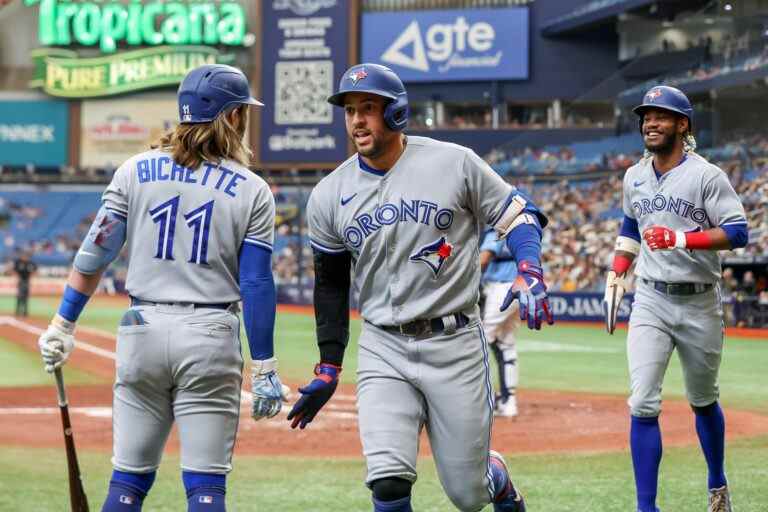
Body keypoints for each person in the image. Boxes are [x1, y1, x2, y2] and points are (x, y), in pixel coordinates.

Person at [286, 63, 554, 512]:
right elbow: (331, 285)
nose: (356, 120)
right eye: (350, 110)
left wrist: (530, 268)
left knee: (468, 495)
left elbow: (518, 215)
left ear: (396, 113)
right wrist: (329, 365)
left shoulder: (453, 162)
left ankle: (498, 479)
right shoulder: (330, 194)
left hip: (455, 344)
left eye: (368, 108)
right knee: (387, 482)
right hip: (383, 346)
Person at [36, 64, 285, 512]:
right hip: (210, 334)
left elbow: (93, 256)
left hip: (141, 330)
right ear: (231, 117)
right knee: (206, 487)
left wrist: (62, 324)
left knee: (127, 483)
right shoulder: (252, 189)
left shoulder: (133, 171)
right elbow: (254, 282)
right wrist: (264, 366)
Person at [603, 85, 748, 512]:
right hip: (650, 298)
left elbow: (738, 232)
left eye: (661, 115)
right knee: (643, 401)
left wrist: (681, 238)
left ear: (682, 125)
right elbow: (631, 228)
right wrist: (617, 269)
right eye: (646, 115)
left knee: (703, 398)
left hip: (700, 300)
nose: (650, 122)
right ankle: (646, 507)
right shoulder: (634, 175)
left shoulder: (707, 175)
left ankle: (717, 483)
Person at [480, 229, 522, 418]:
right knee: (506, 343)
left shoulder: (497, 230)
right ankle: (508, 402)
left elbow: (483, 259)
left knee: (479, 340)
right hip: (519, 287)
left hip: (500, 289)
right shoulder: (521, 229)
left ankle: (478, 397)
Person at [13, 251, 36, 316]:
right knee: (20, 296)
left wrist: (31, 278)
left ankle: (25, 312)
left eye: (26, 256)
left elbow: (35, 270)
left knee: (26, 296)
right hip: (21, 281)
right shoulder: (18, 262)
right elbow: (14, 270)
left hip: (27, 281)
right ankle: (17, 311)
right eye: (24, 256)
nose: (25, 257)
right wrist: (17, 278)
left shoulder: (30, 263)